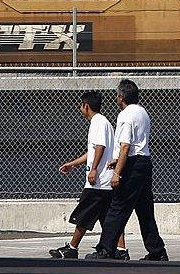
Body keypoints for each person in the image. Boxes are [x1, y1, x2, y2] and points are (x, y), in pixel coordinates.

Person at [86, 79, 168, 261]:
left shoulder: (125, 115)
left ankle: (106, 249)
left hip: (132, 164)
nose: (116, 98)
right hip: (145, 164)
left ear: (121, 97)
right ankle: (157, 251)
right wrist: (118, 161)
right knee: (145, 210)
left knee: (117, 207)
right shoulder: (143, 112)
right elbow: (135, 144)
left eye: (117, 95)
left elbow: (125, 146)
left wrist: (117, 173)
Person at [50, 91, 128, 260]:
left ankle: (72, 248)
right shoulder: (103, 122)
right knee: (109, 216)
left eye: (81, 105)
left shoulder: (98, 122)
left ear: (86, 106)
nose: (80, 109)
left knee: (84, 214)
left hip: (99, 181)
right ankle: (121, 249)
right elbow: (92, 151)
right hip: (105, 181)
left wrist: (93, 170)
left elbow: (100, 147)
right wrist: (73, 164)